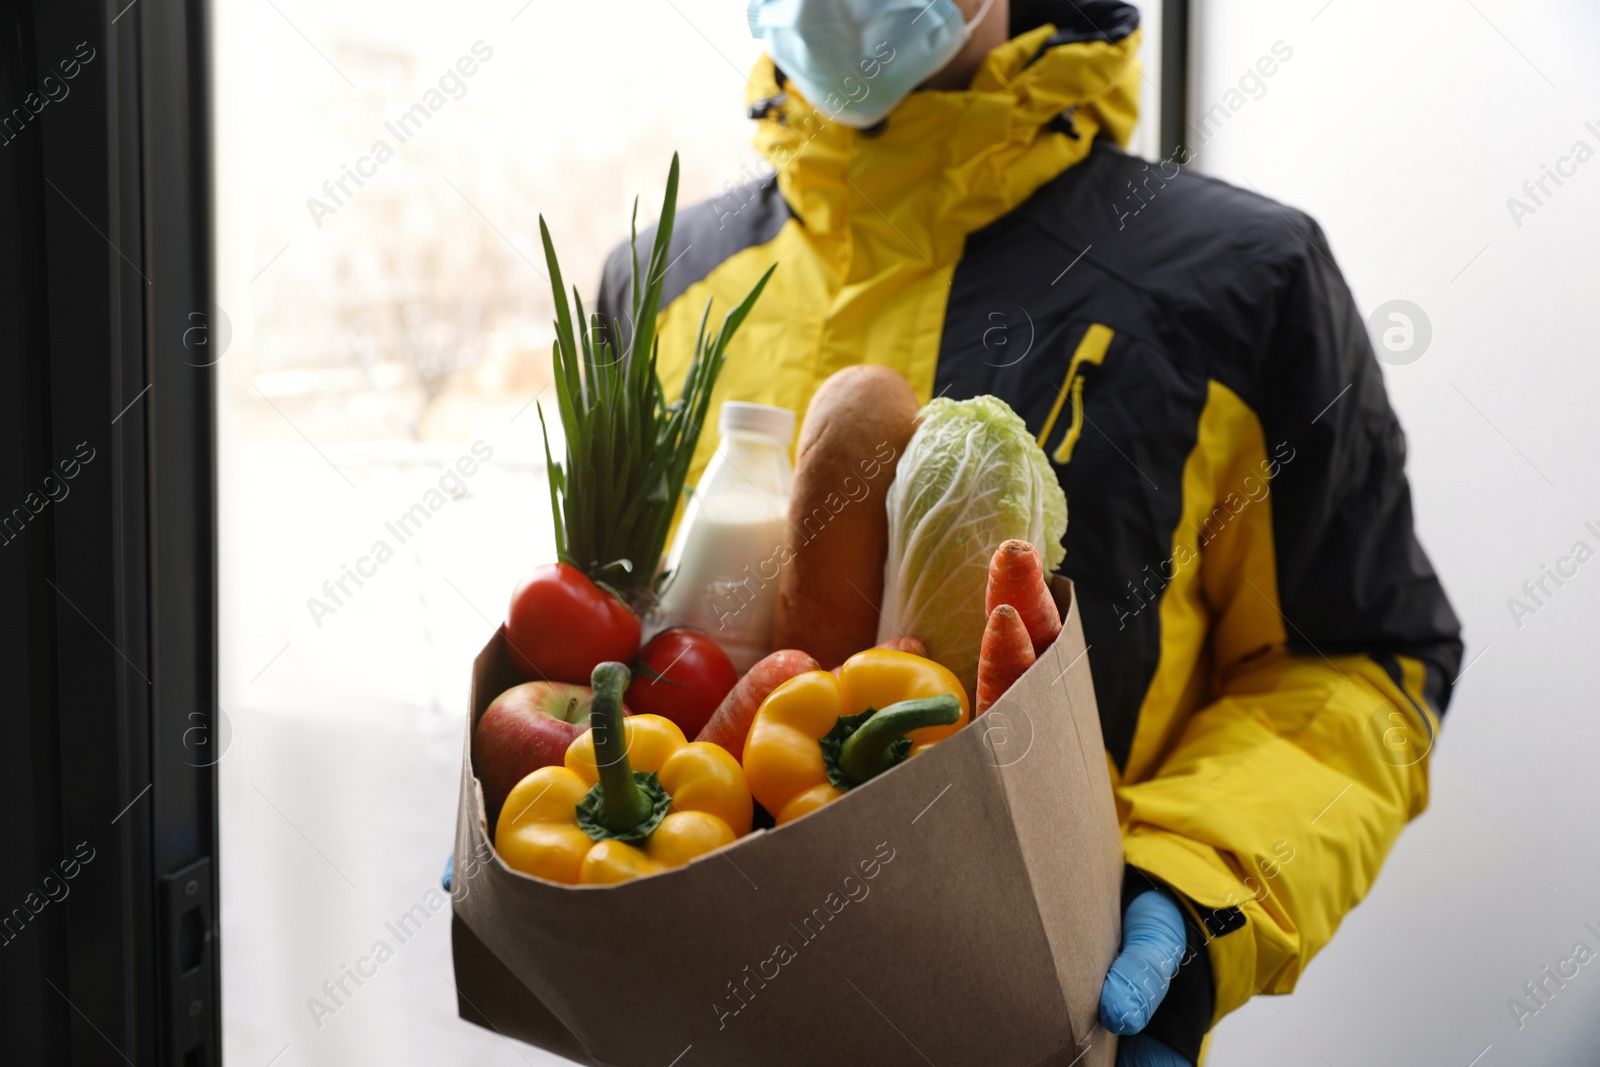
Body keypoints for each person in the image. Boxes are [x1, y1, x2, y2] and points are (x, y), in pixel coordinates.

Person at [596, 1, 1463, 1063]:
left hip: (1052, 1021)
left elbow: (1360, 663)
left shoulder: (1242, 279)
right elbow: (609, 625)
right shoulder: (658, 285)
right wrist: (553, 782)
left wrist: (1189, 888)